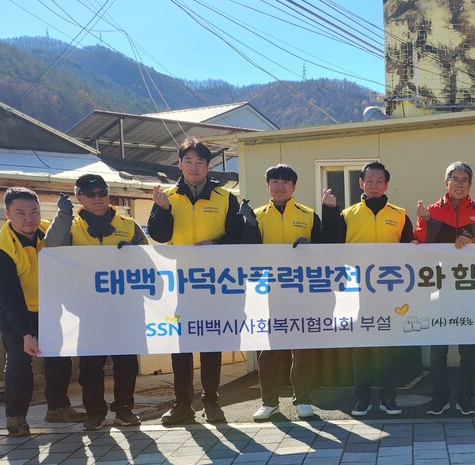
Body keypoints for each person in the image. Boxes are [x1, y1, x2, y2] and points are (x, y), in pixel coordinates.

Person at [148, 137, 250, 425]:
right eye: (188, 161)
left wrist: (216, 245)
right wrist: (162, 209)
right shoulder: (168, 196)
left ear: (208, 166)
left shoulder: (225, 198)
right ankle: (182, 403)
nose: (194, 167)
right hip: (178, 283)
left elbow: (237, 236)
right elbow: (158, 235)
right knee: (180, 345)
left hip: (213, 284)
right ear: (179, 164)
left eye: (200, 162)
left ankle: (212, 400)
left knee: (211, 341)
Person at [45, 174, 147, 431]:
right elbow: (52, 249)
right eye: (91, 194)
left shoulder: (129, 225)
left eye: (102, 192)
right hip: (87, 310)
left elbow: (149, 262)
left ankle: (124, 408)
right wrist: (62, 217)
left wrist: (134, 255)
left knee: (126, 363)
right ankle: (95, 411)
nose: (98, 198)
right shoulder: (70, 226)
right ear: (79, 197)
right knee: (90, 365)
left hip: (124, 309)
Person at [0, 187, 83, 437]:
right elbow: (10, 297)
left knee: (58, 355)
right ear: (7, 214)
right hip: (9, 307)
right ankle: (16, 418)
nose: (29, 218)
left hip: (47, 303)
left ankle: (58, 408)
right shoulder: (0, 248)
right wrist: (27, 333)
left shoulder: (49, 231)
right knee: (20, 357)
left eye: (34, 211)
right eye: (20, 213)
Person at [322, 161, 414, 417]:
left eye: (379, 181)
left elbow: (411, 249)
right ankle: (361, 398)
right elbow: (330, 247)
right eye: (369, 181)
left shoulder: (400, 215)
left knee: (388, 346)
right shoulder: (347, 215)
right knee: (360, 347)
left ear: (386, 184)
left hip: (389, 291)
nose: (374, 185)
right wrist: (329, 211)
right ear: (361, 183)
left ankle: (388, 397)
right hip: (356, 291)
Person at [416, 161, 475, 417]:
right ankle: (439, 399)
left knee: (467, 349)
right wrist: (422, 222)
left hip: (469, 289)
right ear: (446, 183)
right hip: (438, 289)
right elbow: (420, 247)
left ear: (470, 185)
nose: (459, 183)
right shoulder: (430, 211)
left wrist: (473, 241)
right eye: (455, 178)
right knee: (438, 350)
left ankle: (466, 399)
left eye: (464, 179)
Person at [246, 164, 323, 421]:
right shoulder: (254, 216)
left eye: (286, 181)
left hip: (301, 293)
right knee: (269, 349)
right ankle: (269, 402)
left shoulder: (309, 215)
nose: (280, 185)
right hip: (267, 293)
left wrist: (311, 247)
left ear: (294, 187)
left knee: (302, 348)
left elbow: (325, 251)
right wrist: (244, 225)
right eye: (275, 180)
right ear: (268, 185)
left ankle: (303, 399)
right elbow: (245, 252)